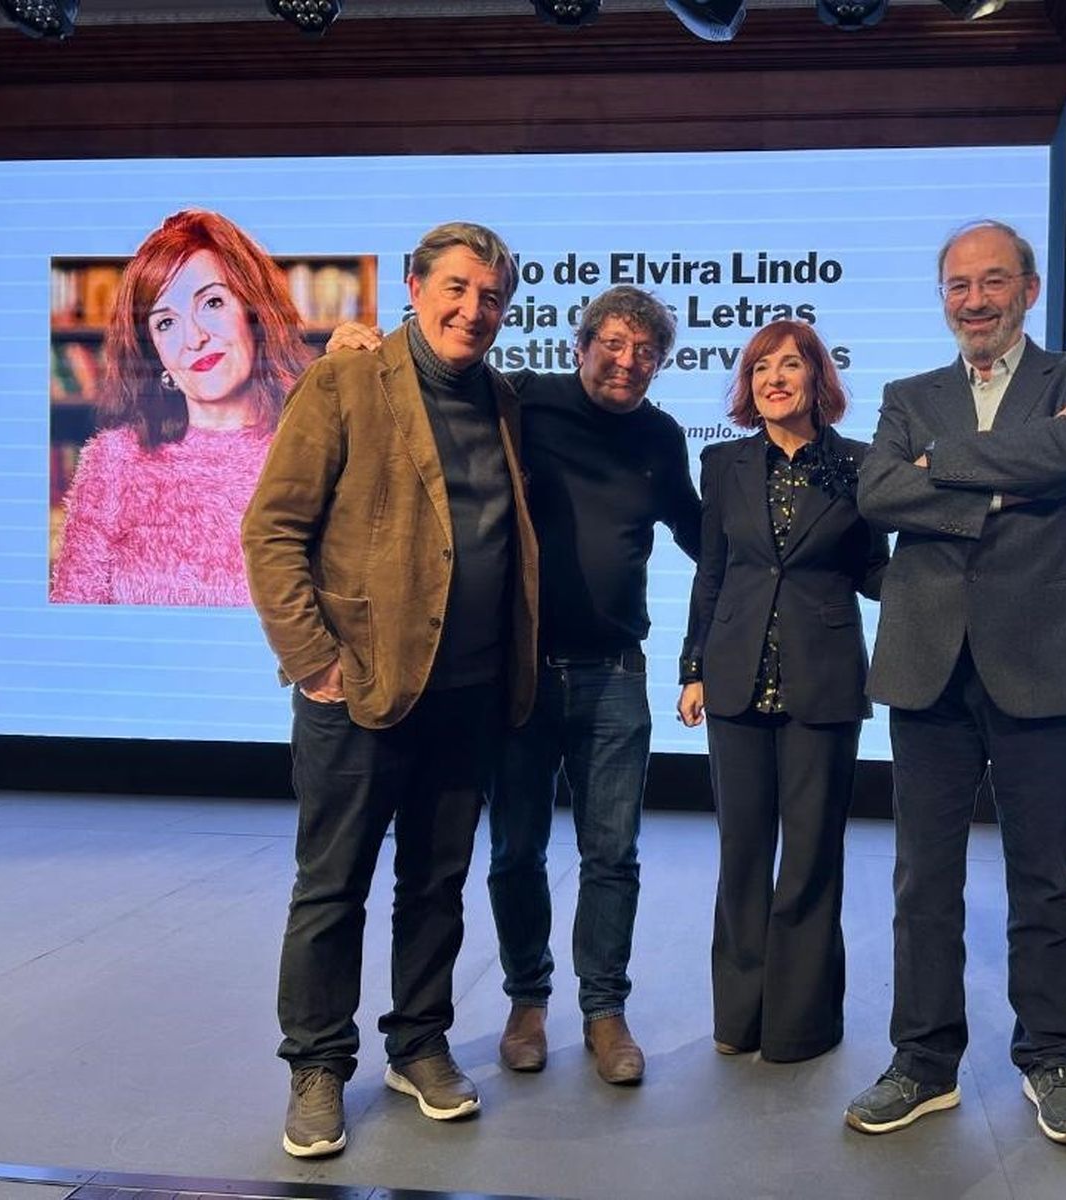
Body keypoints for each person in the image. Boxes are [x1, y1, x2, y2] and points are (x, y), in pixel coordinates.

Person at [325, 284, 701, 1086]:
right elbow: (435, 384)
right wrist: (364, 350)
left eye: (646, 353)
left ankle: (604, 1011)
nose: (627, 362)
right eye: (612, 344)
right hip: (519, 673)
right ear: (580, 345)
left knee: (612, 855)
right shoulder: (522, 400)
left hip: (616, 677)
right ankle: (527, 1003)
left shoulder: (663, 438)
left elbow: (707, 542)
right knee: (516, 851)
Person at [242, 221, 539, 1159]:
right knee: (332, 889)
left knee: (437, 885)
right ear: (413, 287)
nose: (473, 310)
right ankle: (318, 1065)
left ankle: (418, 1043)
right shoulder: (345, 380)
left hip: (470, 692)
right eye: (456, 288)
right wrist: (316, 663)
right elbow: (271, 530)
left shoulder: (502, 399)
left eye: (491, 297)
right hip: (359, 691)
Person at [847, 220, 1066, 1144]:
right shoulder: (907, 396)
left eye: (994, 281)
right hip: (928, 665)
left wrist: (943, 468)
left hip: (1050, 657)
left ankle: (1051, 1060)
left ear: (1029, 290)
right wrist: (1009, 487)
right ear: (943, 297)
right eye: (958, 285)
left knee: (1044, 880)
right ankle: (923, 1061)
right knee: (921, 881)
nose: (975, 300)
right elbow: (878, 494)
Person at [676, 319, 888, 1063]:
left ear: (816, 378)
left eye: (789, 365)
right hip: (735, 678)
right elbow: (712, 571)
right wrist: (693, 668)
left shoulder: (859, 465)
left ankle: (800, 1025)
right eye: (761, 367)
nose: (774, 378)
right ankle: (739, 1018)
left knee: (809, 859)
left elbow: (872, 570)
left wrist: (941, 575)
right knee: (742, 856)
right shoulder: (722, 463)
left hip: (824, 682)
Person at [52, 209, 311, 605]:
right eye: (166, 323)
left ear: (253, 311)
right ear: (153, 352)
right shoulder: (113, 462)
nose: (194, 338)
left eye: (212, 302)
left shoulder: (314, 452)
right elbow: (73, 625)